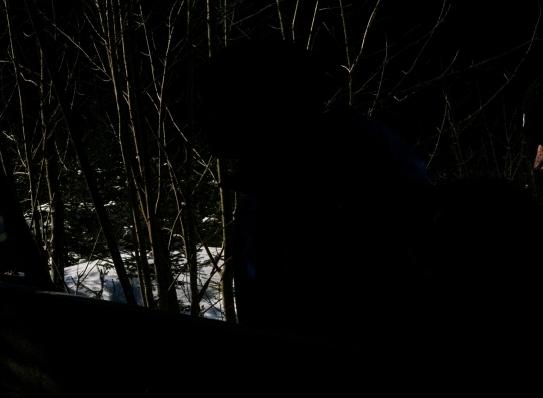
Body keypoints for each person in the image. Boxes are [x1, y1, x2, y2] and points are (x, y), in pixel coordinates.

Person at [184, 39, 433, 343]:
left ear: (259, 106)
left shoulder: (348, 196)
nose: (200, 117)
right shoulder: (270, 192)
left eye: (213, 104)